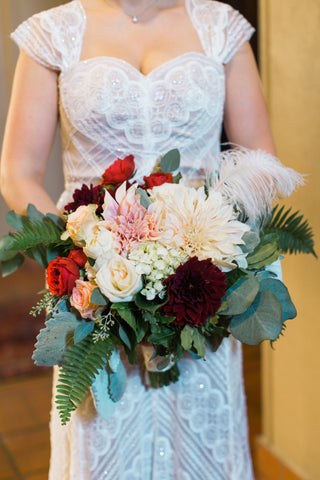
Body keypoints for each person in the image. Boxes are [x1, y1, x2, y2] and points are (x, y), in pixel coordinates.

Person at [0, 0, 276, 478]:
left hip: (201, 290)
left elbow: (260, 163)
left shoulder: (218, 27)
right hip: (99, 301)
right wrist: (86, 258)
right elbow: (18, 172)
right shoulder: (54, 33)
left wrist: (214, 256)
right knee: (102, 439)